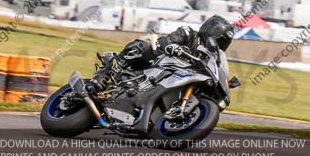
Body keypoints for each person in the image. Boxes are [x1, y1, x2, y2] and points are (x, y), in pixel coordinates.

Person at [88, 15, 235, 93]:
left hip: (176, 79)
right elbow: (165, 42)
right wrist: (175, 48)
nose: (221, 43)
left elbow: (217, 71)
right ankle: (104, 75)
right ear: (211, 30)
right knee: (140, 46)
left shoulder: (213, 57)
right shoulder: (188, 33)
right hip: (155, 63)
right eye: (221, 38)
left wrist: (225, 83)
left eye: (225, 41)